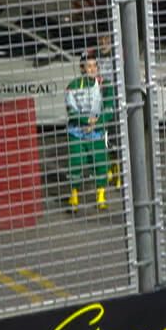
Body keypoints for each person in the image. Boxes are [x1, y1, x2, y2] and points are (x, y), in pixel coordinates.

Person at [64, 52, 116, 212]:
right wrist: (86, 121)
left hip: (97, 132)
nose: (93, 69)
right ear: (82, 68)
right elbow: (71, 110)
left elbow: (109, 109)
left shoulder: (105, 86)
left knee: (101, 163)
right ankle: (74, 196)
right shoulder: (72, 86)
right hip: (76, 132)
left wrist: (97, 124)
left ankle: (101, 196)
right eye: (89, 66)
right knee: (76, 164)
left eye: (95, 65)